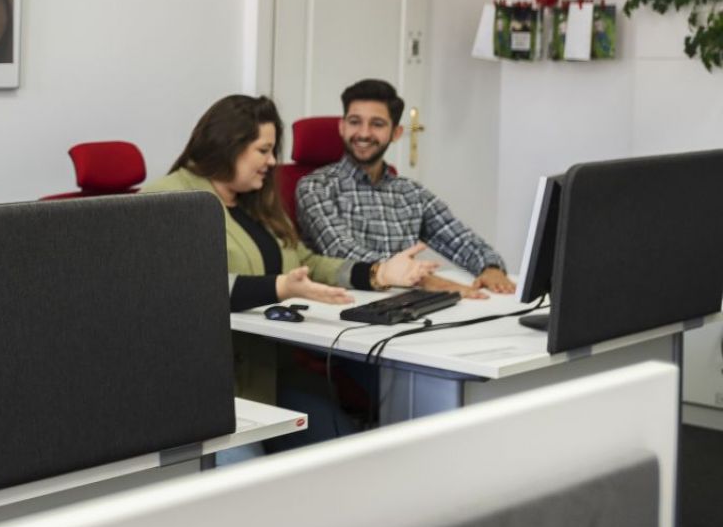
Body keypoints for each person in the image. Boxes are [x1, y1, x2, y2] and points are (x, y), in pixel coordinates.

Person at [140, 95, 435, 403]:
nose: (271, 162)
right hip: (212, 382)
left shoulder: (254, 200)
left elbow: (306, 263)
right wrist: (280, 287)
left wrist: (377, 273)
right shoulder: (169, 200)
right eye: (263, 150)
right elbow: (188, 288)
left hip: (271, 367)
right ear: (228, 145)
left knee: (348, 424)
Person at [295, 79, 515, 296]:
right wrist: (421, 279)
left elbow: (459, 238)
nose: (364, 133)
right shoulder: (315, 187)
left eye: (377, 124)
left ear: (396, 133)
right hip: (343, 306)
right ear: (342, 127)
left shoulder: (411, 192)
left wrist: (490, 268)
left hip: (405, 305)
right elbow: (340, 250)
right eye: (355, 122)